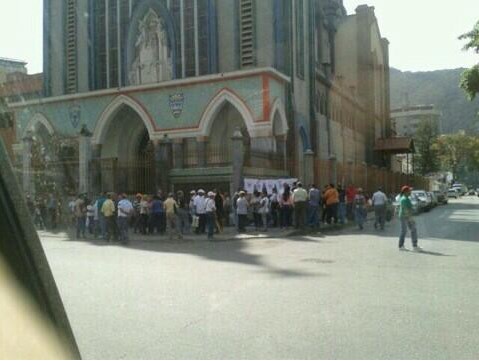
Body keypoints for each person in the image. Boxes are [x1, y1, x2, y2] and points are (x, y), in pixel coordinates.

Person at [398, 186, 422, 251]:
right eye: (409, 191)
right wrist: (410, 218)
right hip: (404, 216)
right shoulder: (404, 199)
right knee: (404, 231)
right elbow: (405, 210)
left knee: (412, 230)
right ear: (406, 192)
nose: (410, 192)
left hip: (406, 216)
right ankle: (401, 246)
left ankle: (414, 246)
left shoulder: (406, 198)